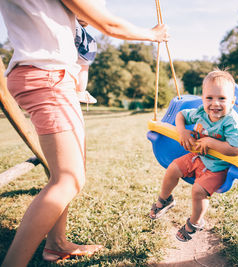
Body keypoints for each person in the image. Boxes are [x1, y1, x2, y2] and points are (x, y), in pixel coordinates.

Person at [0, 0, 168, 266]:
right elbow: (107, 23)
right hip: (47, 74)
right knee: (68, 179)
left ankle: (56, 243)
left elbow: (78, 16)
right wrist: (152, 34)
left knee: (68, 173)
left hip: (46, 73)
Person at [149, 69, 238, 242]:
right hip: (198, 158)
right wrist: (182, 131)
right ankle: (165, 200)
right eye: (209, 98)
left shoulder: (232, 122)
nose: (215, 103)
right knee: (173, 168)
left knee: (198, 191)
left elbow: (235, 150)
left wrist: (210, 142)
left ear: (232, 101)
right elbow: (180, 115)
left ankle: (195, 223)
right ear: (203, 98)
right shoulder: (201, 112)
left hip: (218, 167)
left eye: (222, 98)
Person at [75, 17, 98, 105]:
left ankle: (80, 91)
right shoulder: (85, 38)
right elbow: (83, 66)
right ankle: (80, 92)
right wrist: (80, 90)